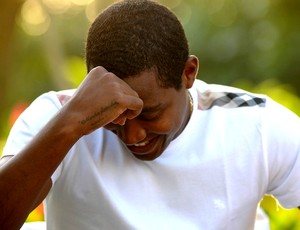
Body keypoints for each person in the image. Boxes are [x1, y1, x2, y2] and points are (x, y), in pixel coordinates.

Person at [0, 0, 299, 229]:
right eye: (113, 114)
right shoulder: (58, 117)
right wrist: (70, 124)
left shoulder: (254, 122)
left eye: (149, 113)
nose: (133, 135)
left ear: (188, 73)